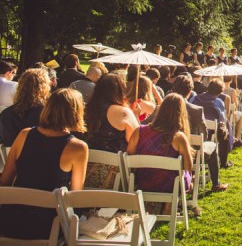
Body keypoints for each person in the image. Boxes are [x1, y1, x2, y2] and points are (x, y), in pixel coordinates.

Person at [0, 88, 88, 240]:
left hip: (11, 221)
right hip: (49, 226)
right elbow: (75, 197)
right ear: (77, 112)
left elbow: (5, 181)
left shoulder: (24, 134)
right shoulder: (78, 147)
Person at [126, 94, 194, 214]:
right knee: (184, 176)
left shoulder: (139, 131)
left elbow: (129, 157)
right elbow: (188, 167)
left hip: (143, 181)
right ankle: (168, 207)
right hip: (169, 187)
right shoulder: (178, 137)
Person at [85, 73, 139, 188]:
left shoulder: (87, 109)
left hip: (86, 168)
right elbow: (134, 139)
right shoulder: (123, 112)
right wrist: (136, 116)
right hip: (114, 173)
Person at [0, 68, 51, 146]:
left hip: (14, 156)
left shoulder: (6, 114)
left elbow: (7, 144)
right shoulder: (49, 113)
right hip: (42, 156)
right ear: (44, 88)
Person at [193, 79, 233, 169]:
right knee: (225, 131)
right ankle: (224, 162)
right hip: (211, 132)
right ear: (220, 92)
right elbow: (222, 118)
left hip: (196, 129)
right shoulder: (218, 102)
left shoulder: (195, 98)